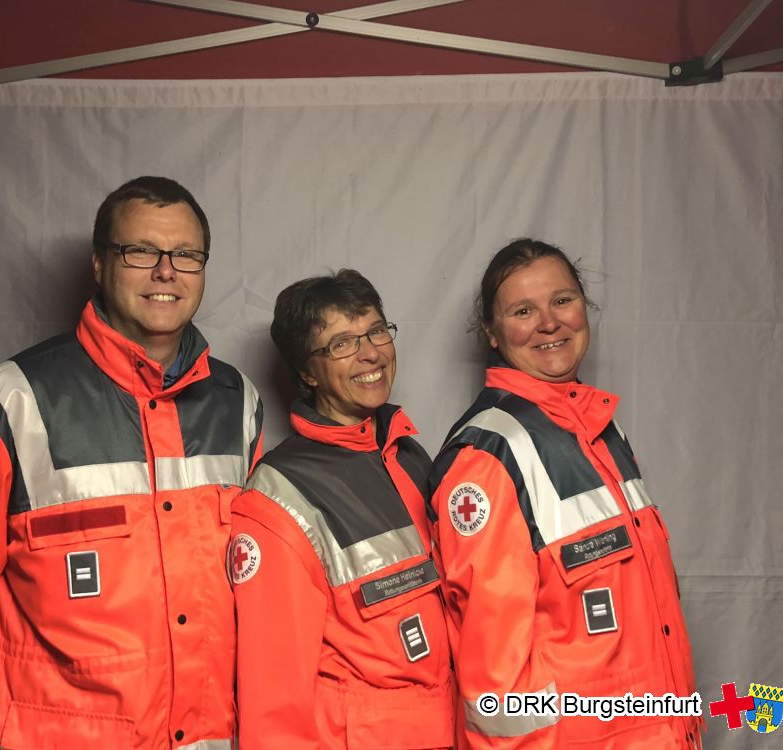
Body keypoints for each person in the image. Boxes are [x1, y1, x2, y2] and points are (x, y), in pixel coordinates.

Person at [0, 176, 263, 750]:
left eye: (186, 254)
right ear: (99, 264)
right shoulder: (4, 404)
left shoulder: (237, 401)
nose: (165, 271)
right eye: (141, 251)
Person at [429, 239, 700, 749]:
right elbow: (498, 686)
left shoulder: (601, 431)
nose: (549, 323)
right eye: (522, 310)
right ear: (492, 332)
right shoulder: (488, 457)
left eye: (562, 300)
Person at [230, 269, 455, 749]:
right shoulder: (280, 495)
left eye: (376, 330)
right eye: (341, 343)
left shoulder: (410, 456)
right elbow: (273, 699)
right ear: (307, 373)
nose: (371, 352)